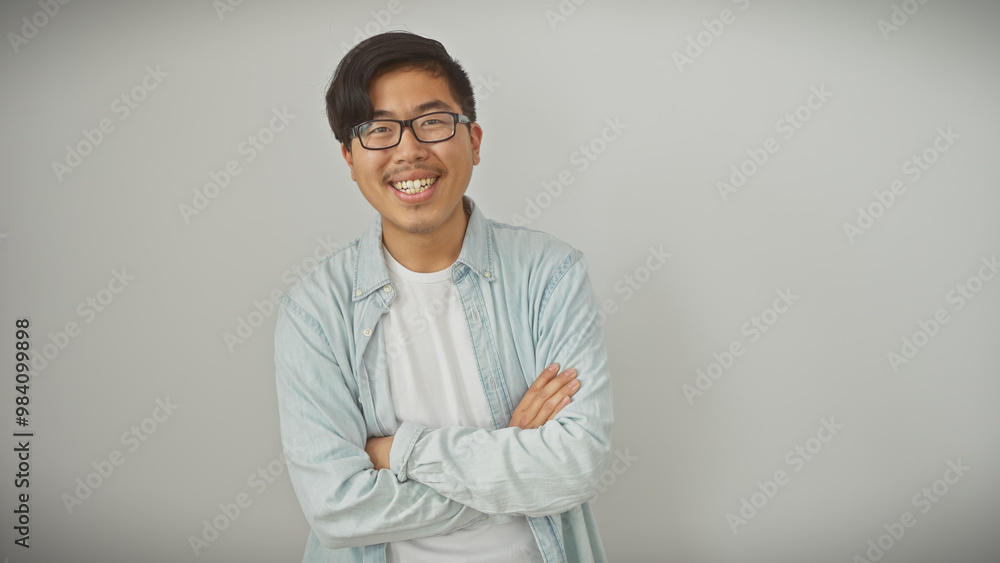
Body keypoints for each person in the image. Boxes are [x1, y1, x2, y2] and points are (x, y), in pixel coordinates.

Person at [274, 31, 614, 563]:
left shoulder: (550, 274)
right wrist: (513, 463)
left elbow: (577, 466)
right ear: (348, 156)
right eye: (378, 129)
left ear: (474, 140)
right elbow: (336, 509)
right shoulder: (314, 311)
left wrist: (399, 452)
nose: (408, 150)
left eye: (432, 122)